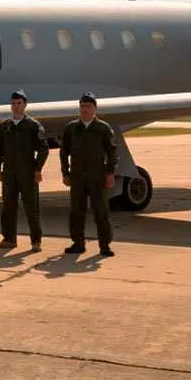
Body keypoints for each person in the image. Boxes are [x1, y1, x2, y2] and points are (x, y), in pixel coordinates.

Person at [60, 93, 118, 257]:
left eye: (88, 106)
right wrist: (65, 173)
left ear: (95, 108)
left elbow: (112, 152)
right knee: (76, 211)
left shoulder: (103, 128)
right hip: (77, 176)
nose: (85, 110)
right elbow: (64, 152)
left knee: (101, 211)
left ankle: (104, 245)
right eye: (82, 106)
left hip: (97, 176)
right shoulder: (71, 128)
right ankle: (78, 243)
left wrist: (110, 173)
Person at [0, 89, 48, 251]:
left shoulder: (33, 125)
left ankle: (36, 241)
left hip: (28, 172)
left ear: (25, 105)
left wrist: (38, 169)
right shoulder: (4, 126)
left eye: (18, 103)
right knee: (8, 207)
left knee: (31, 207)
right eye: (13, 103)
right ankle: (9, 239)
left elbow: (43, 149)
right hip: (9, 173)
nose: (15, 106)